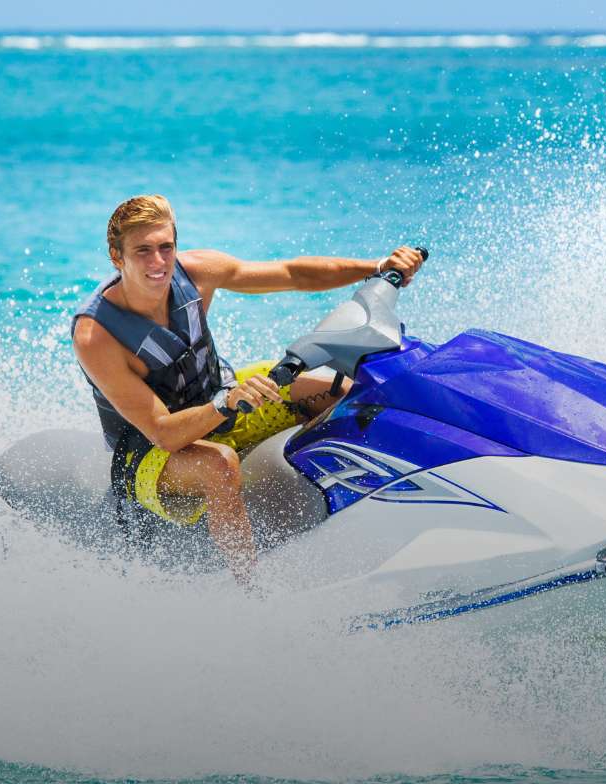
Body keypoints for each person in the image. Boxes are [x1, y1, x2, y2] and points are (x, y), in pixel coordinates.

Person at [72, 194, 425, 585]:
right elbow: (163, 431)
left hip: (218, 396)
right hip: (148, 450)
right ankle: (248, 593)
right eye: (142, 251)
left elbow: (293, 274)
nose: (158, 263)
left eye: (165, 247)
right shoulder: (96, 336)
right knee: (219, 464)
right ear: (116, 256)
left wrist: (377, 267)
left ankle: (379, 505)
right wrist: (226, 403)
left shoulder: (198, 272)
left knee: (345, 393)